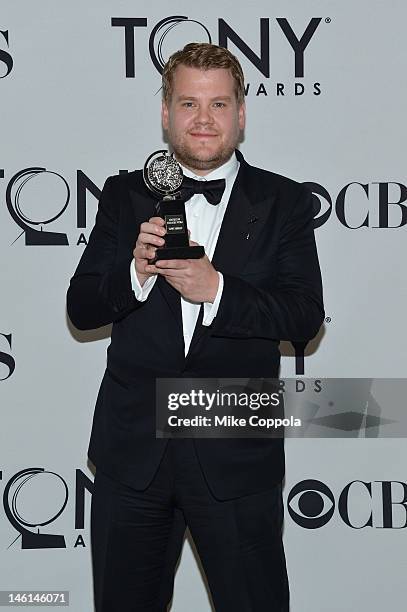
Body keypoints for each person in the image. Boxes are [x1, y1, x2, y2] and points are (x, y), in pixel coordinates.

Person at [67, 42, 324, 612]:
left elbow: (304, 317)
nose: (203, 120)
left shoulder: (283, 201)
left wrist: (220, 293)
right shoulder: (123, 195)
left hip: (234, 450)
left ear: (241, 113)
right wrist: (133, 274)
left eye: (218, 104)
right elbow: (82, 307)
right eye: (188, 103)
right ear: (165, 112)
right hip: (133, 456)